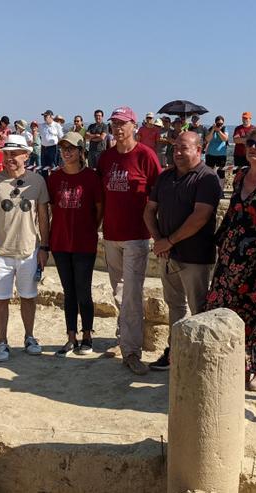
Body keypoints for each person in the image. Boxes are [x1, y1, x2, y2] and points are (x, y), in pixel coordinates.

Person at [206, 127, 256, 391]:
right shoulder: (239, 176)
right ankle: (231, 359)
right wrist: (218, 240)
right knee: (225, 304)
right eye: (250, 143)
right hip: (231, 254)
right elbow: (233, 211)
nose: (252, 148)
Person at [144, 131, 221, 371]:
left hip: (195, 256)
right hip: (168, 255)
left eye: (184, 148)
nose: (177, 152)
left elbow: (200, 217)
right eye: (175, 147)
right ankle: (175, 351)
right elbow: (148, 211)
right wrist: (159, 240)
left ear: (199, 150)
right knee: (174, 305)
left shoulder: (207, 178)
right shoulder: (165, 177)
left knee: (199, 308)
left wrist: (169, 241)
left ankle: (199, 358)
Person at [98, 106, 162, 375]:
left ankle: (132, 352)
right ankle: (125, 333)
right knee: (118, 292)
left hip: (137, 236)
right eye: (114, 123)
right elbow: (100, 196)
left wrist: (159, 232)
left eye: (123, 123)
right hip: (111, 235)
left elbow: (159, 192)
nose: (118, 128)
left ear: (134, 125)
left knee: (131, 295)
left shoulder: (146, 155)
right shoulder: (106, 158)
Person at [0, 134, 50, 362]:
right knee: (0, 299)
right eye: (6, 153)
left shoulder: (37, 181)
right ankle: (2, 342)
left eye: (14, 153)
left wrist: (44, 247)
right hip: (0, 250)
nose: (9, 157)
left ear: (26, 155)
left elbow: (43, 217)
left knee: (29, 297)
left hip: (29, 250)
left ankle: (29, 337)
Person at [46, 132, 103, 356]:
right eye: (63, 148)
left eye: (71, 148)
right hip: (60, 242)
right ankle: (71, 336)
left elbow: (99, 208)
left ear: (81, 152)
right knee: (68, 292)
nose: (66, 152)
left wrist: (90, 228)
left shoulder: (91, 177)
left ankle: (87, 335)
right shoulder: (54, 177)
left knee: (83, 292)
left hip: (83, 242)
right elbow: (51, 208)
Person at [204, 115, 229, 187]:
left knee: (221, 173)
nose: (220, 125)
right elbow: (207, 139)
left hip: (221, 155)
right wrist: (213, 130)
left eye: (221, 124)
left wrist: (219, 131)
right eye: (218, 124)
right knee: (208, 172)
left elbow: (225, 139)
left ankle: (220, 190)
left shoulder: (224, 129)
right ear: (215, 123)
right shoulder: (211, 129)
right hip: (210, 154)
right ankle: (208, 189)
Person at [40, 110, 64, 175]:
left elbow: (61, 137)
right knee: (44, 166)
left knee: (53, 166)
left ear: (51, 116)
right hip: (43, 148)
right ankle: (44, 182)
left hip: (53, 148)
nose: (44, 117)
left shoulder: (57, 125)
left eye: (46, 116)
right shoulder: (41, 126)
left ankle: (54, 181)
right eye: (44, 116)